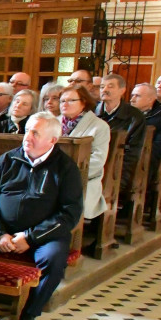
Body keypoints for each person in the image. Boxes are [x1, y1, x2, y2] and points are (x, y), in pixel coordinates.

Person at [0, 113, 84, 320]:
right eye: (27, 131)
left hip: (44, 234)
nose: (27, 137)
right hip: (2, 231)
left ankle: (29, 315)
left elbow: (69, 213)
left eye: (35, 133)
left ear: (52, 140)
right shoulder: (8, 159)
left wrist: (30, 237)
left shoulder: (65, 168)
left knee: (53, 260)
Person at [97, 73, 147, 214]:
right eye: (102, 86)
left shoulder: (135, 116)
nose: (104, 89)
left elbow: (133, 153)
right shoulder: (91, 113)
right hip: (95, 165)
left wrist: (117, 177)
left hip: (117, 168)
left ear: (122, 90)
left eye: (110, 86)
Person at [59, 85, 110, 220]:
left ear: (84, 101)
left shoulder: (99, 126)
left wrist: (68, 173)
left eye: (71, 100)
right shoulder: (53, 122)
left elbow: (97, 160)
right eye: (62, 101)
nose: (65, 104)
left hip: (82, 178)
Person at [130, 82, 161, 212]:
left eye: (137, 96)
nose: (132, 99)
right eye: (132, 95)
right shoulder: (127, 113)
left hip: (146, 158)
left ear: (150, 99)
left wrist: (138, 154)